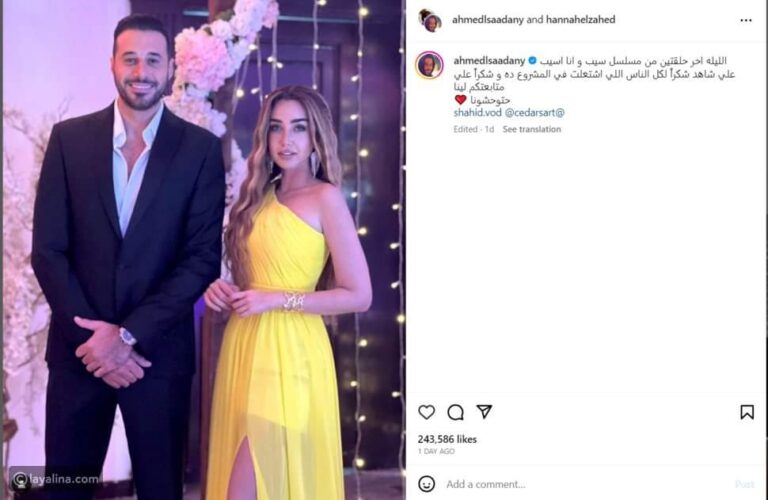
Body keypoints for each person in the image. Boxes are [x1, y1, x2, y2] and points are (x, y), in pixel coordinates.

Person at [31, 14, 225, 499]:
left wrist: (127, 335)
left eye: (153, 60)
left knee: (161, 490)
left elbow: (201, 259)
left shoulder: (200, 150)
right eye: (130, 59)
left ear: (171, 68)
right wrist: (95, 341)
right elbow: (48, 251)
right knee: (65, 489)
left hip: (158, 356)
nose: (141, 71)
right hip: (80, 354)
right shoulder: (68, 140)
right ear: (113, 64)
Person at [203, 85, 372, 500]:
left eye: (298, 127)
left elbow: (359, 295)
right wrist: (222, 290)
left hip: (293, 352)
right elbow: (251, 280)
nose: (286, 140)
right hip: (245, 345)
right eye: (276, 128)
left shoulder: (326, 198)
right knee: (250, 476)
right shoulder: (255, 198)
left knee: (250, 482)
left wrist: (277, 299)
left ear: (316, 135)